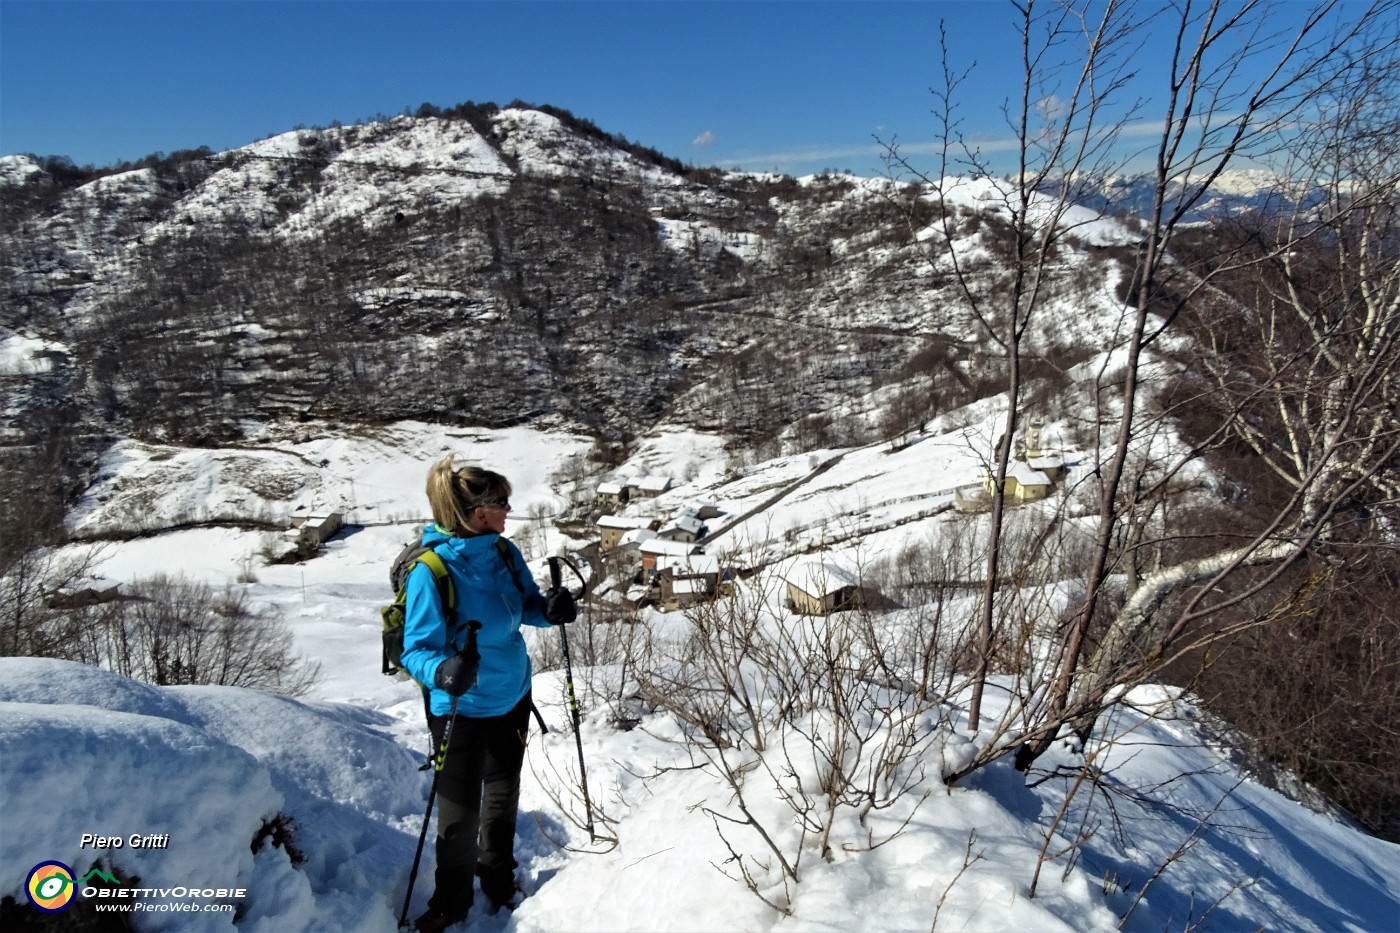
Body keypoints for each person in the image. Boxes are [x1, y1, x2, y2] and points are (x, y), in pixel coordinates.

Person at [399, 457, 576, 933]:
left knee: (502, 794)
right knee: (459, 816)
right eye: (501, 502)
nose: (508, 509)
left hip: (512, 695)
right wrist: (443, 671)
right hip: (460, 708)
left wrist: (551, 609)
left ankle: (498, 877)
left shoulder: (502, 552)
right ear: (478, 512)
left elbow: (525, 608)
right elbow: (413, 650)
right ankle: (450, 902)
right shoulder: (431, 572)